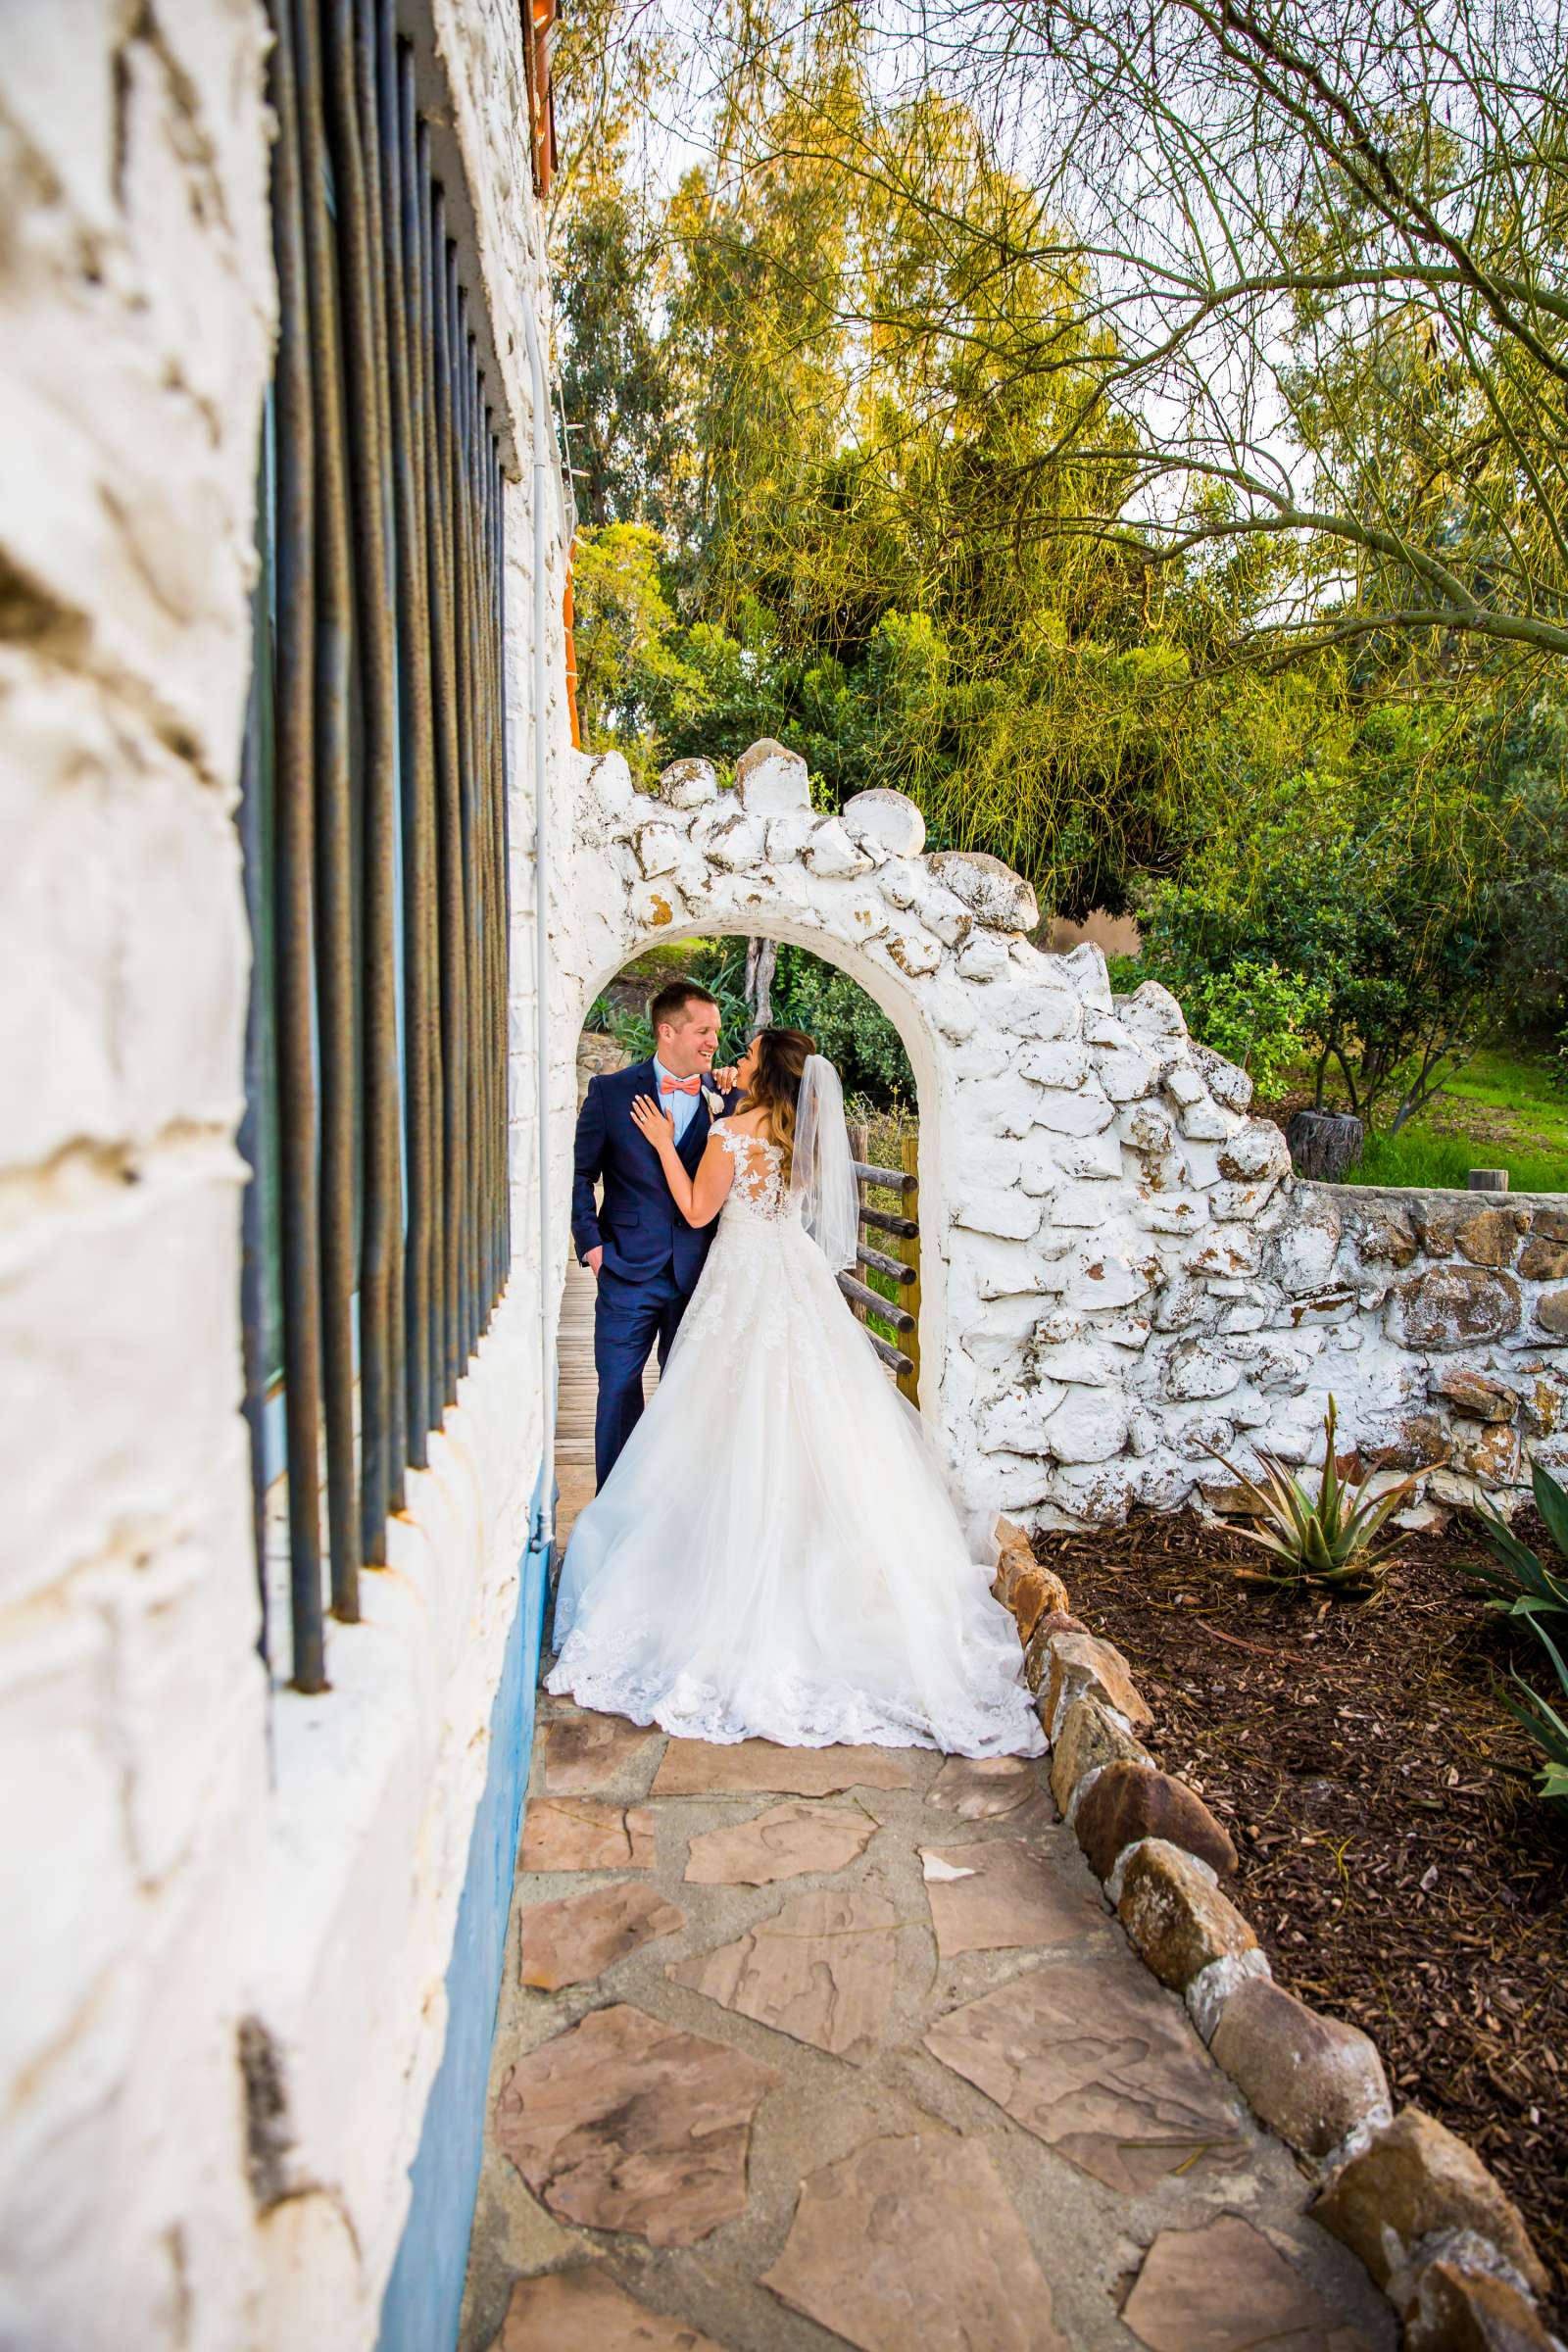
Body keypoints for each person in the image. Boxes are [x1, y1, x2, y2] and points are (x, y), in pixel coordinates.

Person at [549, 1026, 1042, 1757]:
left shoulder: (732, 1132)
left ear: (766, 1071)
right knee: (815, 1418)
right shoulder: (797, 1139)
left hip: (743, 1282)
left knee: (724, 1420)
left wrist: (662, 1143)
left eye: (743, 1055)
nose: (732, 1062)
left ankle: (725, 1567)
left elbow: (694, 1212)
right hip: (795, 1274)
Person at [571, 980, 743, 1486]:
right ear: (667, 1032)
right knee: (619, 1389)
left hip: (702, 1272)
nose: (715, 1041)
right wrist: (593, 1246)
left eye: (717, 1030)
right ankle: (613, 1512)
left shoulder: (729, 1097)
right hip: (626, 1267)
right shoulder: (611, 1092)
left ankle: (671, 1509)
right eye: (703, 1030)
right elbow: (581, 1174)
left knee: (686, 1394)